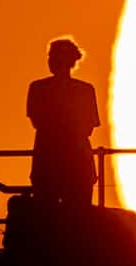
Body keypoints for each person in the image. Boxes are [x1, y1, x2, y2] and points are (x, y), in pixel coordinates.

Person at [27, 37, 101, 206]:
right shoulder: (85, 90)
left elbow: (37, 122)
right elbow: (89, 127)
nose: (50, 61)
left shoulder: (38, 88)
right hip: (75, 162)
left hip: (48, 162)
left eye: (53, 56)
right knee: (78, 217)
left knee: (48, 215)